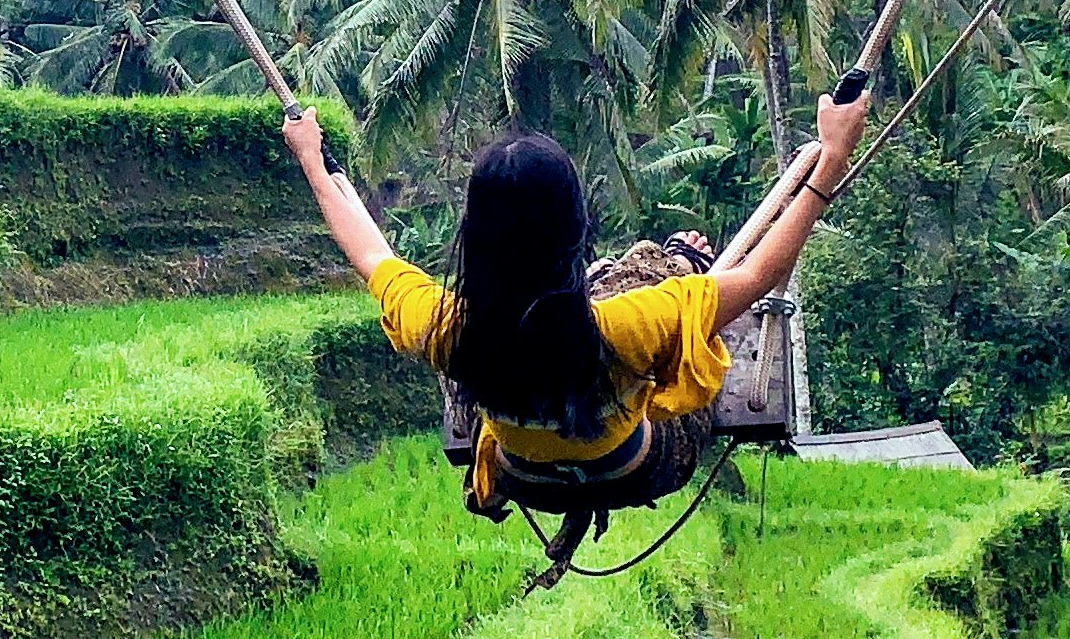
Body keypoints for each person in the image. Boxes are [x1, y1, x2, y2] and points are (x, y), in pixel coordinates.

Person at [278, 84, 870, 522]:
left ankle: (672, 264)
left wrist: (311, 158)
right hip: (639, 465)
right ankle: (681, 261)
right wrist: (833, 155)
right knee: (679, 342)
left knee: (637, 302)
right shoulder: (627, 325)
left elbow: (369, 253)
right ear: (574, 224)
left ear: (474, 233)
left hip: (523, 476)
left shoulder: (447, 326)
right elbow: (765, 272)